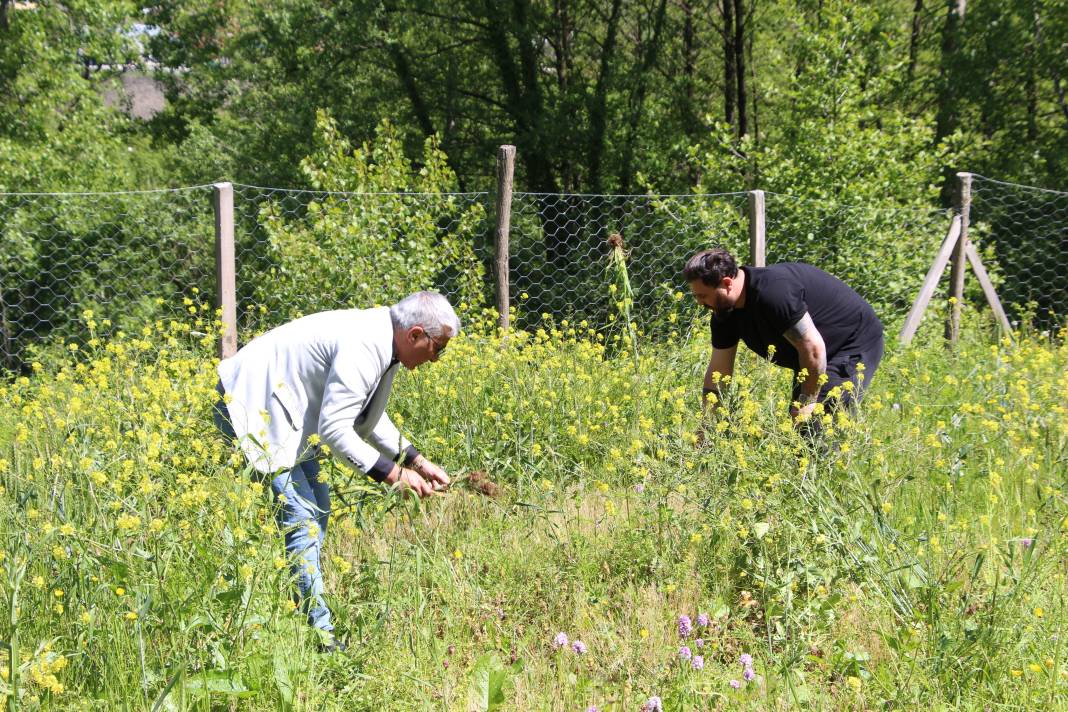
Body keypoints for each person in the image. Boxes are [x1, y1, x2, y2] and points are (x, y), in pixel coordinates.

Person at [212, 291, 456, 651]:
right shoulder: (365, 343)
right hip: (250, 401)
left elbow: (368, 415)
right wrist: (393, 475)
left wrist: (415, 460)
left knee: (318, 506)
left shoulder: (384, 342)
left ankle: (298, 607)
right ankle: (320, 636)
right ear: (415, 334)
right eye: (439, 348)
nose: (436, 359)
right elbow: (336, 429)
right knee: (302, 518)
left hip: (283, 411)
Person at [683, 248, 884, 425]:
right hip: (811, 355)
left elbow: (813, 348)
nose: (700, 303)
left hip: (850, 343)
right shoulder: (724, 312)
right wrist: (708, 425)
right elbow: (719, 370)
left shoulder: (773, 293)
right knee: (800, 432)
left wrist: (806, 403)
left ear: (726, 283)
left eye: (703, 295)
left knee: (816, 430)